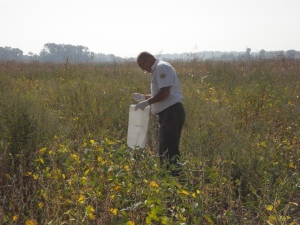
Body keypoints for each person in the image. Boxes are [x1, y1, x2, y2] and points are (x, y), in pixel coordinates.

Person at [132, 51, 185, 177]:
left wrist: (146, 103)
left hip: (172, 113)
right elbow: (160, 93)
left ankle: (175, 180)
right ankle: (168, 179)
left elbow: (165, 93)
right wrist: (143, 97)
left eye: (141, 65)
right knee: (163, 149)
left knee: (169, 150)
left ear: (149, 60)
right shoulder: (156, 70)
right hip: (167, 115)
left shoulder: (162, 67)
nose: (142, 69)